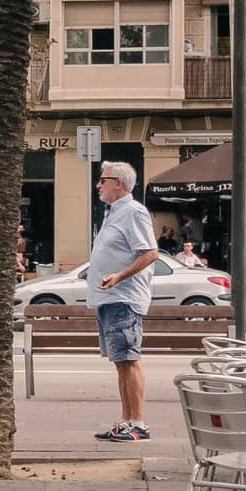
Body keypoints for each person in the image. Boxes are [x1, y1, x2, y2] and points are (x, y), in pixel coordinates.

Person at [88, 161, 159, 443]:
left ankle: (138, 423)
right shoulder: (113, 213)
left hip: (124, 297)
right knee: (120, 361)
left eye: (102, 180)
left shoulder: (133, 212)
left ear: (118, 183)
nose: (98, 185)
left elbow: (150, 253)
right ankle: (127, 421)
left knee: (129, 359)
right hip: (109, 297)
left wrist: (119, 276)